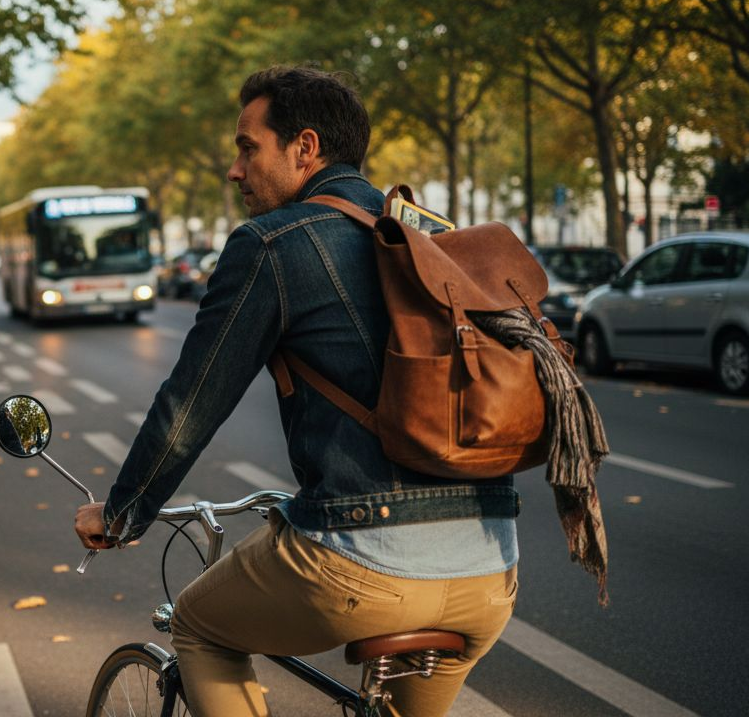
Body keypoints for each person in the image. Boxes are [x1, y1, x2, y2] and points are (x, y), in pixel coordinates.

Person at [74, 67, 518, 717]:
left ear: (305, 147)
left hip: (364, 562)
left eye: (247, 147)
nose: (234, 169)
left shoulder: (270, 246)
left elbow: (191, 403)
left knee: (198, 625)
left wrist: (122, 515)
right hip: (490, 568)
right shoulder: (434, 237)